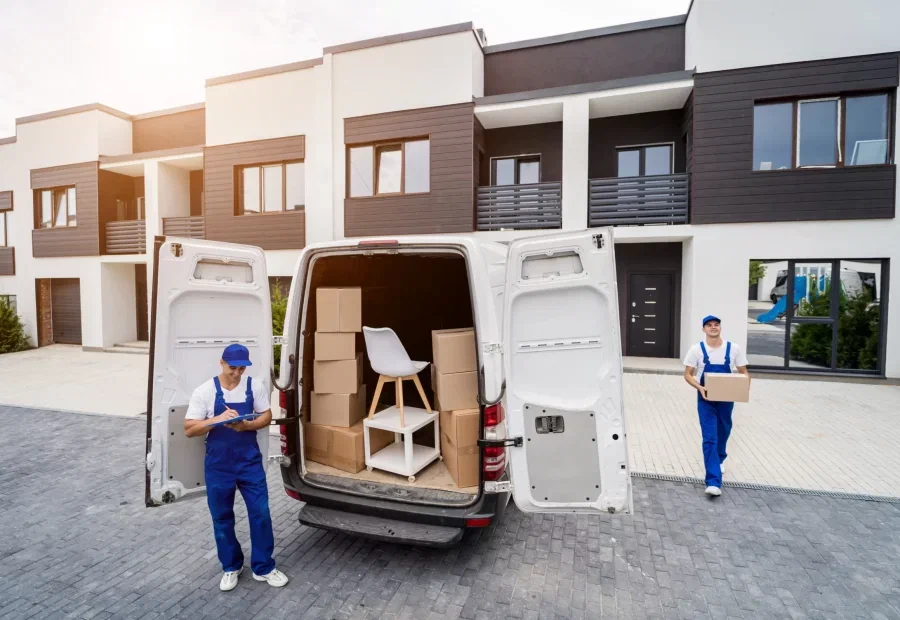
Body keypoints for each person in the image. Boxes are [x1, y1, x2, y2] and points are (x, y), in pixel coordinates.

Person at [184, 344, 289, 592]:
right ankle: (231, 566)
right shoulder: (205, 391)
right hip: (219, 465)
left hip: (249, 462)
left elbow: (266, 415)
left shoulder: (255, 386)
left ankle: (263, 567)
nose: (237, 373)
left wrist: (247, 426)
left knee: (261, 513)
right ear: (222, 363)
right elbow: (189, 428)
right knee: (222, 518)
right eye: (233, 368)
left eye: (242, 368)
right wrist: (216, 420)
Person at [683, 315, 750, 497]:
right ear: (703, 329)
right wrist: (699, 387)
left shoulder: (733, 348)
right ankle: (713, 481)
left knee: (724, 431)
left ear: (720, 328)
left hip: (726, 399)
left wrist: (742, 389)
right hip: (705, 398)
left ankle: (720, 457)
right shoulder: (697, 349)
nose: (713, 327)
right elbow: (688, 374)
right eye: (709, 325)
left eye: (716, 325)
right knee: (709, 437)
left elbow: (744, 373)